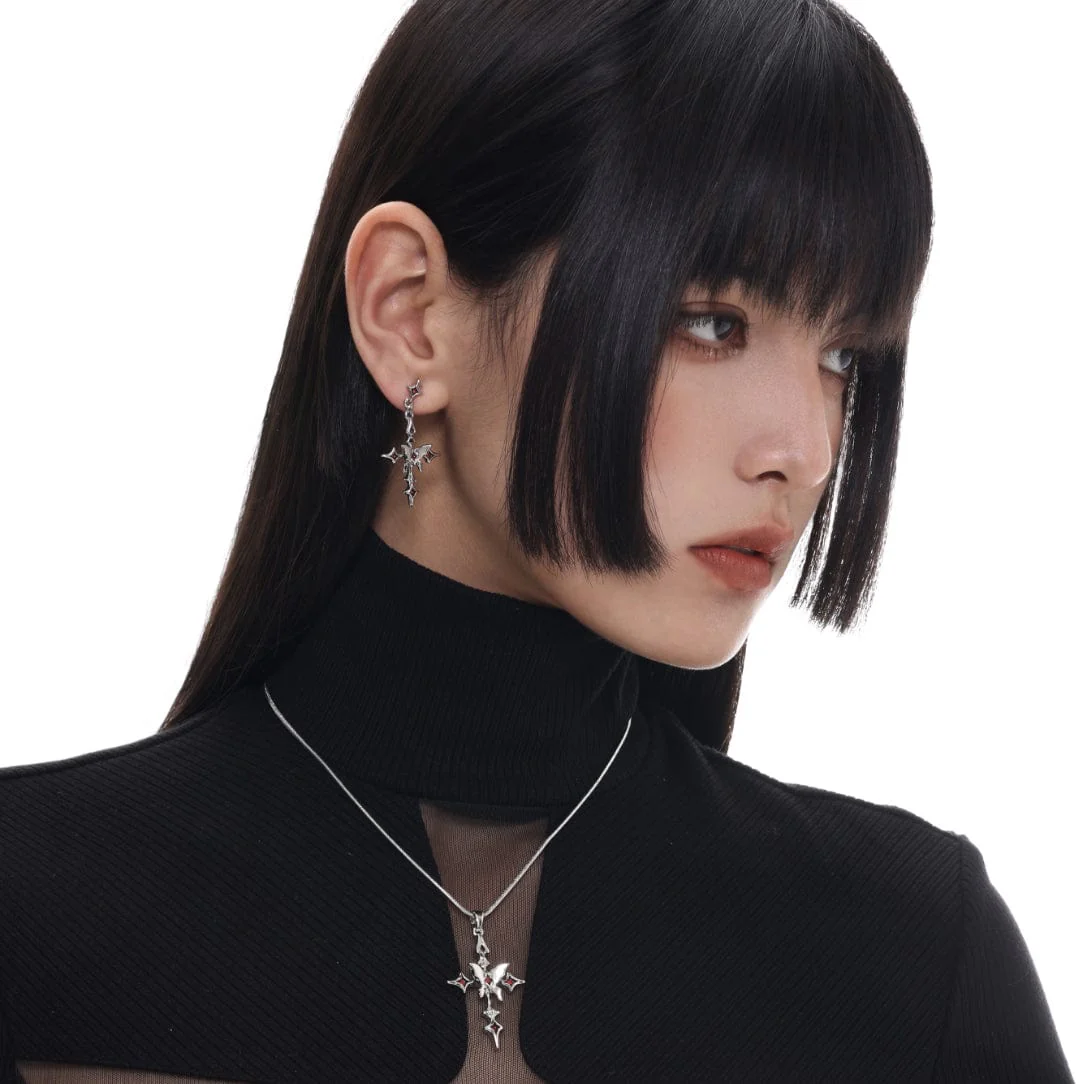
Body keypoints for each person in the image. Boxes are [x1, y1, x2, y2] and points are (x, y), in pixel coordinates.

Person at [0, 0, 1074, 1080]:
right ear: (410, 315)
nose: (804, 448)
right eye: (712, 322)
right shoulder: (34, 911)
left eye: (844, 355)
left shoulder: (916, 959)